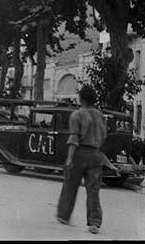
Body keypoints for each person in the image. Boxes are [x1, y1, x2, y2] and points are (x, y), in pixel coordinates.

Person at [57, 85, 107, 234]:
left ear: (81, 99)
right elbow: (104, 136)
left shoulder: (77, 115)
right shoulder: (100, 116)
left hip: (79, 153)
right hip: (96, 154)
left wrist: (69, 158)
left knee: (70, 185)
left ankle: (64, 215)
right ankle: (95, 222)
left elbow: (74, 138)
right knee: (93, 190)